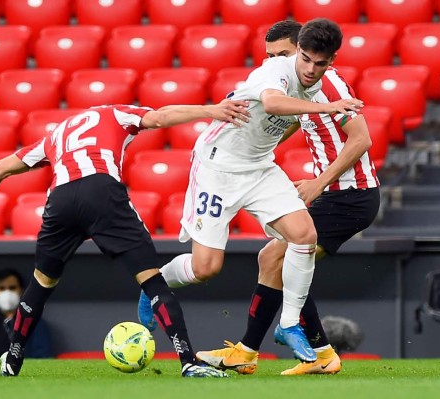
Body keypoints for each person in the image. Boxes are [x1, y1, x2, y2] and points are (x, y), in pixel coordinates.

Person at [0, 100, 252, 378]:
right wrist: (211, 110)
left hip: (60, 200)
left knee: (41, 284)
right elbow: (160, 117)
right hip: (100, 189)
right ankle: (188, 361)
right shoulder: (114, 113)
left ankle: (13, 358)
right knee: (152, 280)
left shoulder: (56, 135)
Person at [137, 18, 364, 364]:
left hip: (259, 167)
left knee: (303, 235)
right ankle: (157, 280)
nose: (310, 68)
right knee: (206, 268)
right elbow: (273, 105)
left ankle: (288, 324)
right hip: (218, 167)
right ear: (297, 51)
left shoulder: (317, 85)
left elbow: (283, 123)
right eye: (304, 58)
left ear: (330, 61)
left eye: (320, 63)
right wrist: (327, 108)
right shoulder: (275, 70)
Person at [195, 19, 380, 376]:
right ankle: (318, 353)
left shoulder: (327, 83)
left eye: (281, 54)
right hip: (339, 192)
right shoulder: (296, 84)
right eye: (270, 56)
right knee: (277, 261)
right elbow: (296, 120)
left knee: (279, 258)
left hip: (350, 195)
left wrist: (318, 183)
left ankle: (253, 352)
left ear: (302, 49)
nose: (274, 62)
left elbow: (361, 139)